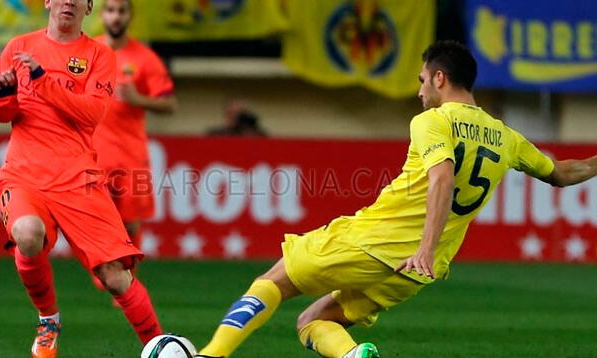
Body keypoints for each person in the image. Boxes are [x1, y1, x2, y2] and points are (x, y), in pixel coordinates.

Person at [195, 40, 597, 358]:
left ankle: (211, 355)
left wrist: (422, 246)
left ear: (440, 78)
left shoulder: (433, 121)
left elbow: (442, 177)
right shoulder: (506, 137)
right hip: (417, 272)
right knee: (312, 321)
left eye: (423, 80)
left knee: (272, 281)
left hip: (378, 243)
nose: (420, 90)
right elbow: (563, 172)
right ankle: (355, 355)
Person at [0, 1, 163, 357]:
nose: (68, 1)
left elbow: (91, 113)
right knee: (27, 234)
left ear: (88, 6)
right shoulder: (18, 47)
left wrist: (40, 80)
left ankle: (159, 345)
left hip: (78, 178)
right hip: (24, 174)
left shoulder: (99, 56)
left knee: (115, 277)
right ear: (48, 1)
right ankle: (48, 319)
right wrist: (4, 94)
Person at [94, 0, 176, 250]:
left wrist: (138, 99)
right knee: (97, 219)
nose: (116, 17)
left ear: (131, 16)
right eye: (110, 11)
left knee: (130, 223)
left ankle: (126, 277)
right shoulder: (88, 52)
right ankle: (106, 271)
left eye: (121, 11)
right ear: (102, 15)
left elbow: (170, 104)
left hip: (131, 155)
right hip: (93, 153)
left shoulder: (145, 58)